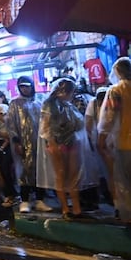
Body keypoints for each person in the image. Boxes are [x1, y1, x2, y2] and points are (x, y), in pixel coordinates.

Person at [39, 78, 92, 219]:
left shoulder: (68, 105)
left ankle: (76, 209)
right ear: (64, 91)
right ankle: (65, 209)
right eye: (71, 92)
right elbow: (45, 127)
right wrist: (53, 143)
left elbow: (79, 124)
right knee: (61, 176)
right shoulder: (49, 104)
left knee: (73, 176)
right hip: (57, 144)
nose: (73, 95)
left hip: (72, 142)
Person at [6, 76, 51, 212]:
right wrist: (16, 142)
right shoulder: (15, 103)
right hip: (23, 143)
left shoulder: (40, 101)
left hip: (41, 142)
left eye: (27, 86)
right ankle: (24, 200)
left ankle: (40, 200)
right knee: (24, 171)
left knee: (41, 170)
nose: (25, 89)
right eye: (22, 87)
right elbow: (11, 124)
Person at [98, 58, 131, 226]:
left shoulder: (116, 90)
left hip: (125, 143)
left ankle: (128, 217)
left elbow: (109, 116)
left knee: (124, 182)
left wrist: (101, 138)